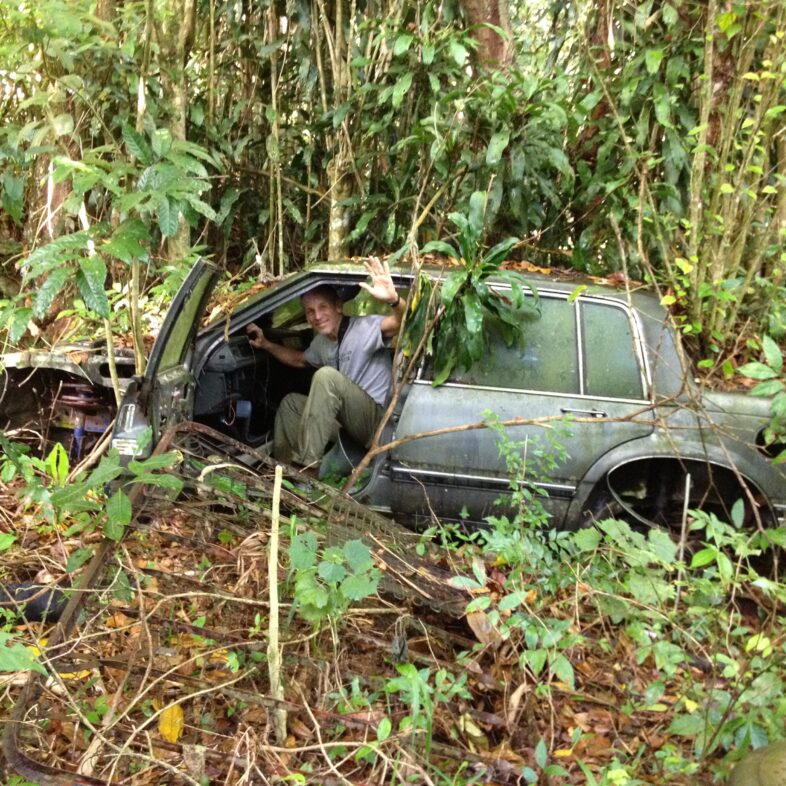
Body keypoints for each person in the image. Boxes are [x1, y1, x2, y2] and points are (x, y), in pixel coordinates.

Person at [246, 258, 405, 470]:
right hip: (347, 422)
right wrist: (266, 344)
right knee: (291, 404)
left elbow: (401, 321)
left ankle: (306, 470)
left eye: (323, 307)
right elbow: (299, 359)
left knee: (326, 376)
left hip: (376, 424)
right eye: (310, 311)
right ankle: (284, 476)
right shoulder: (321, 343)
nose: (317, 316)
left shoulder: (365, 327)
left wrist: (394, 301)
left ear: (338, 307)